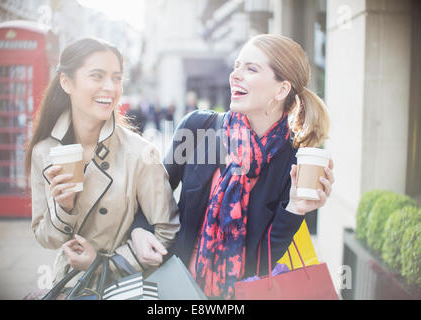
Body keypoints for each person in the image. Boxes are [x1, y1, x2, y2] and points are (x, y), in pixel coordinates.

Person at [130, 34, 334, 300]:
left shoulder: (295, 160)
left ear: (281, 90)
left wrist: (295, 209)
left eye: (251, 69)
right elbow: (154, 191)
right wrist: (138, 230)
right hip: (175, 289)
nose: (235, 75)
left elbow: (262, 266)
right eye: (237, 65)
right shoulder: (198, 127)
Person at [24, 38, 179, 297]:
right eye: (97, 76)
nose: (110, 87)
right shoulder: (44, 152)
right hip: (68, 286)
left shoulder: (140, 152)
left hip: (125, 288)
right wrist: (63, 207)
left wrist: (102, 264)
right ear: (66, 82)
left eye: (116, 78)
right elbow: (45, 238)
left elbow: (167, 230)